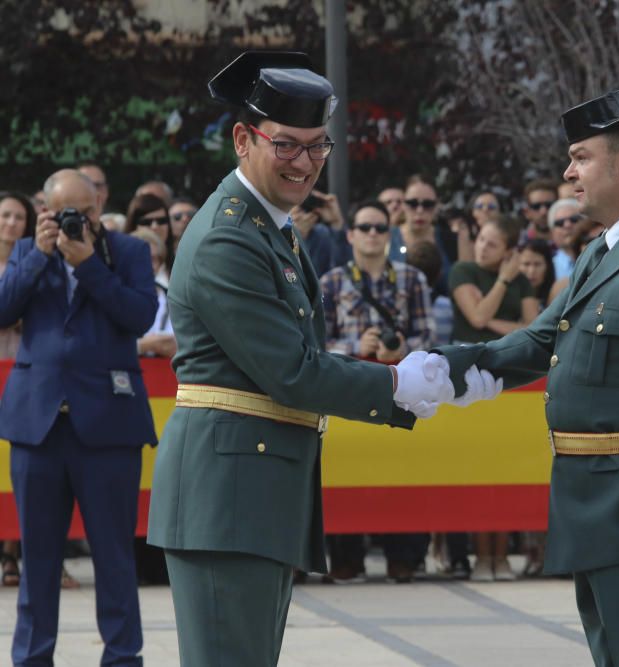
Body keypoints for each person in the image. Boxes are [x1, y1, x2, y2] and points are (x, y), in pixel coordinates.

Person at [146, 51, 450, 667]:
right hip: (228, 495)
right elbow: (291, 370)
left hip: (250, 491)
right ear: (243, 139)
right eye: (286, 146)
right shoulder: (232, 236)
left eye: (318, 147)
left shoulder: (270, 225)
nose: (304, 163)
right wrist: (398, 383)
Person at [434, 80, 619, 665]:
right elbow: (546, 338)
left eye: (579, 157)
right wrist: (447, 368)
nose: (569, 174)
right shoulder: (606, 249)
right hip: (594, 502)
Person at [0, 169, 158, 666]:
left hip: (108, 424)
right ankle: (31, 659)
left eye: (87, 212)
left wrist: (90, 265)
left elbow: (139, 317)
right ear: (44, 211)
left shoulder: (127, 252)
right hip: (37, 424)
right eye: (66, 212)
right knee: (38, 561)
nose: (78, 221)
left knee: (114, 557)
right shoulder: (28, 252)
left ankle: (122, 658)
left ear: (100, 206)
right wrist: (40, 256)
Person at [321, 200, 434, 583]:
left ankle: (403, 555)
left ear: (390, 235)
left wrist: (402, 350)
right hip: (347, 388)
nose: (372, 234)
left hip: (400, 388)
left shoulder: (413, 280)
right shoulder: (331, 282)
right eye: (365, 227)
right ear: (350, 234)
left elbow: (430, 337)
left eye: (380, 228)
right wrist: (356, 346)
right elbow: (317, 343)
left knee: (402, 468)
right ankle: (346, 554)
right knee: (345, 469)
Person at [449, 217, 538, 582]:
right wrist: (502, 282)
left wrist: (497, 325)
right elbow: (477, 314)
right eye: (481, 240)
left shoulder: (523, 280)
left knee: (504, 464)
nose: (483, 247)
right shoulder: (463, 270)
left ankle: (501, 555)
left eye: (493, 243)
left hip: (508, 376)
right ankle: (479, 555)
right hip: (467, 377)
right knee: (474, 463)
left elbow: (534, 330)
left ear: (508, 251)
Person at [0, 191, 36, 589]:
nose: (11, 223)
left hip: (23, 365)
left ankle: (14, 552)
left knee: (19, 460)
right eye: (4, 216)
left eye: (17, 216)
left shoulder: (33, 259)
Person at [131, 227, 176, 359]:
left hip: (163, 375)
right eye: (146, 258)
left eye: (156, 259)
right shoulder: (112, 296)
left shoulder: (172, 298)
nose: (153, 266)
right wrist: (145, 345)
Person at [125, 193, 176, 284]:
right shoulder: (119, 265)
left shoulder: (180, 264)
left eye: (161, 221)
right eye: (146, 222)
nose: (155, 227)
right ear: (133, 226)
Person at [548, 197, 583, 279]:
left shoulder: (599, 258)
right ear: (551, 232)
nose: (567, 225)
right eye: (560, 223)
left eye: (574, 220)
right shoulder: (547, 267)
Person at [519, 238, 557, 308]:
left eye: (537, 264)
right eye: (526, 264)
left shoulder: (556, 297)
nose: (531, 271)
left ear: (548, 266)